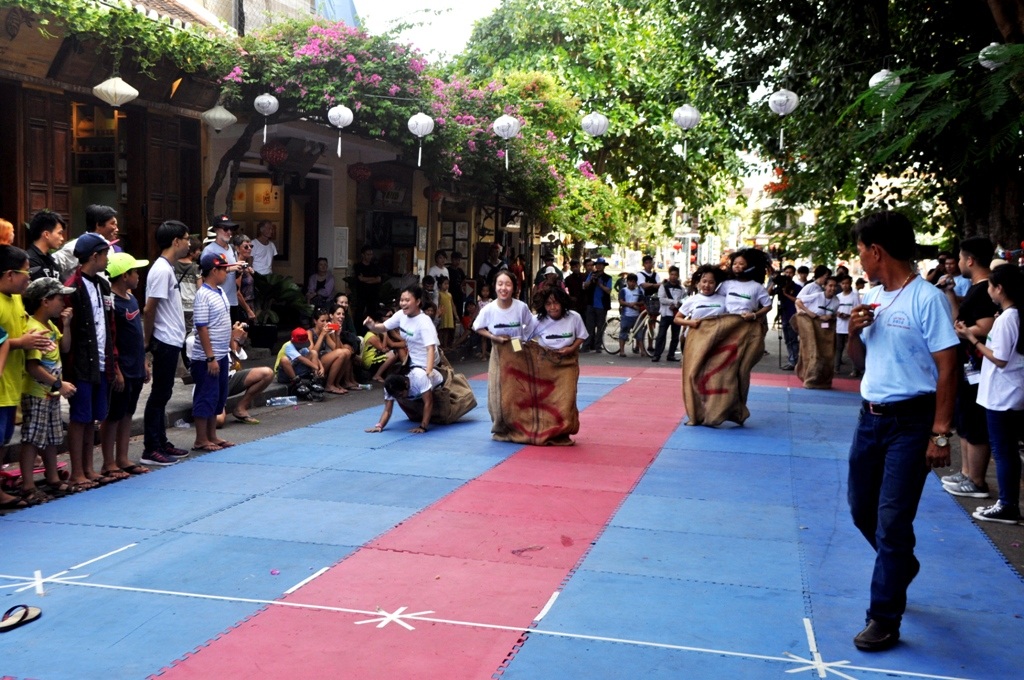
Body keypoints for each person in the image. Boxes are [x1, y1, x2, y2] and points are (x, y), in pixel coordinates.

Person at [845, 210, 958, 652]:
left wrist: (940, 432)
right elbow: (860, 362)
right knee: (861, 510)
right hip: (869, 418)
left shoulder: (925, 298)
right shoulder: (873, 297)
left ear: (877, 251)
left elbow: (948, 367)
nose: (859, 260)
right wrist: (854, 333)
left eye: (860, 251)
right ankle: (901, 565)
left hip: (912, 423)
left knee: (893, 523)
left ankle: (884, 618)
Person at [954, 263, 1023, 524]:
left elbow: (1001, 358)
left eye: (991, 287)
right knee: (1006, 450)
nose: (989, 292)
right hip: (1010, 392)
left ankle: (1007, 504)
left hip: (1002, 395)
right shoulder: (1012, 316)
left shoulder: (1008, 319)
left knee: (1003, 451)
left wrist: (972, 340)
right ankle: (1007, 502)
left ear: (999, 289)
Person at [940, 237, 997, 499]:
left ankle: (976, 480)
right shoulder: (975, 289)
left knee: (974, 422)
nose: (958, 263)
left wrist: (966, 332)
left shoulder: (986, 289)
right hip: (967, 366)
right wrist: (951, 294)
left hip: (979, 366)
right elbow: (958, 319)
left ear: (970, 260)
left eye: (961, 258)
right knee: (964, 418)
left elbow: (985, 327)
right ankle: (966, 472)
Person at [63, 233, 121, 488]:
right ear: (94, 256)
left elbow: (110, 327)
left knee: (94, 417)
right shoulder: (72, 287)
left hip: (102, 359)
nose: (109, 259)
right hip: (81, 362)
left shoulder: (103, 286)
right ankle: (77, 471)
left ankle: (88, 467)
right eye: (106, 254)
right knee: (80, 417)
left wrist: (114, 362)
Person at [0, 246, 54, 510]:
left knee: (3, 439)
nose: (28, 279)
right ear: (9, 274)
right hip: (2, 384)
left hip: (12, 384)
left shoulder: (17, 299)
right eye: (25, 273)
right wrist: (22, 341)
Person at [17, 277, 77, 504]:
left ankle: (52, 477)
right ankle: (28, 485)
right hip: (37, 393)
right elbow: (33, 367)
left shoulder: (50, 326)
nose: (63, 302)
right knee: (32, 438)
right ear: (45, 301)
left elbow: (65, 347)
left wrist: (66, 325)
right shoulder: (33, 329)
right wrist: (58, 384)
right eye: (59, 298)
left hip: (50, 393)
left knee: (51, 437)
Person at [142, 220, 192, 466]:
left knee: (164, 393)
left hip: (171, 339)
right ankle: (151, 447)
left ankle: (161, 441)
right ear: (175, 241)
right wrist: (147, 342)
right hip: (163, 339)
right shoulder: (161, 270)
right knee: (159, 394)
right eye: (186, 238)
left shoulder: (167, 268)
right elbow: (149, 309)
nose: (189, 243)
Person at [98, 253, 152, 478]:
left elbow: (136, 335)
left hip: (136, 365)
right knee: (113, 415)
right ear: (123, 276)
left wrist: (144, 362)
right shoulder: (111, 302)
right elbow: (111, 338)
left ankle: (122, 457)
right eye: (134, 272)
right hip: (121, 368)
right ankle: (108, 462)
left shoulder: (131, 299)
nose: (138, 276)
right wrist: (116, 369)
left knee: (128, 412)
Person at [364, 284, 442, 433]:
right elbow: (383, 327)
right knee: (396, 383)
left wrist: (429, 370)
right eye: (401, 300)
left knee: (424, 382)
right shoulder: (401, 315)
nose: (403, 303)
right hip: (412, 359)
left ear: (418, 301)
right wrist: (372, 325)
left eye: (407, 300)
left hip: (427, 360)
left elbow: (430, 348)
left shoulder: (424, 322)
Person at [473, 270, 537, 439]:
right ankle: (500, 425)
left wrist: (523, 340)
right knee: (498, 387)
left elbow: (530, 325)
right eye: (500, 284)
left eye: (508, 284)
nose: (504, 288)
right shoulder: (489, 308)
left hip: (516, 344)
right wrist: (493, 337)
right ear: (495, 287)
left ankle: (520, 423)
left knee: (518, 386)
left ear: (514, 287)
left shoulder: (521, 307)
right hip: (497, 347)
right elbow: (477, 326)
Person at [190, 252, 235, 452]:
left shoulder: (221, 292)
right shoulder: (203, 294)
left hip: (222, 352)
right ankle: (201, 438)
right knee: (206, 394)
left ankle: (212, 435)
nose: (226, 273)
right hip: (207, 356)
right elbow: (201, 327)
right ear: (214, 271)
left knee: (218, 395)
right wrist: (210, 357)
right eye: (223, 269)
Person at [202, 214, 255, 324]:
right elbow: (206, 275)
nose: (229, 232)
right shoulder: (209, 250)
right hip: (217, 302)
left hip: (232, 301)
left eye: (231, 229)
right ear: (216, 230)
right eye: (225, 229)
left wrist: (240, 270)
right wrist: (230, 268)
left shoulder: (231, 249)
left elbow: (232, 276)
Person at [52, 204, 121, 280]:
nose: (116, 229)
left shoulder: (109, 246)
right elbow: (53, 265)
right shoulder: (75, 245)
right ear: (98, 225)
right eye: (112, 224)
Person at [532, 286, 587, 356]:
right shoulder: (537, 320)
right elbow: (525, 338)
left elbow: (582, 336)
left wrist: (572, 348)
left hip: (569, 360)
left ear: (562, 303)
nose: (552, 307)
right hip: (545, 361)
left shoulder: (574, 317)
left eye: (556, 303)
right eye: (548, 304)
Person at [719, 252, 772, 322]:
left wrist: (754, 315)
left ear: (750, 267)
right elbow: (717, 300)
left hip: (747, 326)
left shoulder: (757, 287)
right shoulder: (726, 284)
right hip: (728, 325)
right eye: (734, 264)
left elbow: (768, 306)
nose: (736, 266)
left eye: (741, 264)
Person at [674, 265, 727, 335]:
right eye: (704, 281)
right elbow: (677, 319)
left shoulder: (724, 300)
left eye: (711, 282)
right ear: (699, 283)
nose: (707, 285)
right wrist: (690, 322)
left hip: (716, 339)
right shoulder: (692, 299)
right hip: (695, 339)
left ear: (716, 284)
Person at [651, 265, 686, 362]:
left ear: (678, 275)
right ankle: (657, 355)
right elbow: (661, 299)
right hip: (665, 314)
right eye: (672, 274)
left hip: (676, 315)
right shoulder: (664, 286)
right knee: (661, 335)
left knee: (675, 337)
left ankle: (671, 355)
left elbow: (683, 300)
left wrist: (677, 305)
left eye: (675, 274)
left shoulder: (681, 288)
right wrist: (674, 302)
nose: (673, 276)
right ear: (669, 275)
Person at [581, 257, 612, 352]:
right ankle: (586, 346)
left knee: (600, 327)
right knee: (589, 327)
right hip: (591, 304)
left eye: (601, 265)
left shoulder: (608, 278)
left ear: (603, 266)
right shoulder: (591, 274)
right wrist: (591, 281)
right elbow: (584, 286)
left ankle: (598, 346)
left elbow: (608, 290)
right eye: (597, 264)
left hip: (602, 305)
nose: (599, 266)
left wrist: (600, 284)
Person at [26, 209, 66, 281]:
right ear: (46, 234)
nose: (62, 238)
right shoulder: (29, 260)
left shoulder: (51, 261)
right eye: (59, 233)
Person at [834, 275, 861, 375]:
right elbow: (834, 309)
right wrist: (839, 314)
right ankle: (836, 368)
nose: (845, 286)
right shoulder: (838, 297)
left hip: (851, 325)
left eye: (847, 283)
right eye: (843, 283)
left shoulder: (855, 296)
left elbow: (858, 309)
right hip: (840, 326)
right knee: (839, 348)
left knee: (852, 348)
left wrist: (849, 315)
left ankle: (855, 369)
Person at [176, 236, 202, 332]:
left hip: (177, 306)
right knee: (189, 334)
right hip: (191, 307)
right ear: (191, 252)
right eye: (198, 249)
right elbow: (200, 289)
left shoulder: (174, 265)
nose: (199, 252)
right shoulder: (196, 268)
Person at [617, 273, 646, 357]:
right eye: (630, 281)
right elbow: (621, 301)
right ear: (627, 281)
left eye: (634, 282)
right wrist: (629, 305)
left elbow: (642, 301)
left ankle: (642, 351)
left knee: (639, 333)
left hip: (637, 316)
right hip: (626, 315)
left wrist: (636, 303)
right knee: (624, 332)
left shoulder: (639, 291)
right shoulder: (624, 290)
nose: (632, 283)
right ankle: (622, 351)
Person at [352, 245, 382, 321]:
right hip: (361, 294)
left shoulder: (375, 266)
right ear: (363, 255)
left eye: (371, 254)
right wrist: (373, 279)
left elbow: (378, 279)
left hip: (373, 294)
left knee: (372, 314)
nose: (370, 256)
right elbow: (360, 279)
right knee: (359, 313)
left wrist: (365, 279)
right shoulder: (358, 266)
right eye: (368, 254)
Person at [637, 255, 661, 351]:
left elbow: (660, 285)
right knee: (640, 323)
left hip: (653, 301)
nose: (649, 265)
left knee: (652, 323)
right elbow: (643, 286)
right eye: (647, 263)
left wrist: (651, 285)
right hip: (643, 300)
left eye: (650, 263)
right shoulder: (640, 275)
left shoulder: (656, 275)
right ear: (643, 264)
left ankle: (650, 345)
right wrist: (654, 285)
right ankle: (637, 344)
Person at [436, 275, 456, 348]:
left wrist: (455, 315)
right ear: (440, 285)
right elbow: (437, 304)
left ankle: (445, 345)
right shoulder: (439, 294)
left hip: (449, 314)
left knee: (447, 329)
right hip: (442, 313)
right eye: (445, 284)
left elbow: (452, 305)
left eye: (448, 284)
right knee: (441, 329)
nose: (447, 285)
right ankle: (440, 344)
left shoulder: (449, 294)